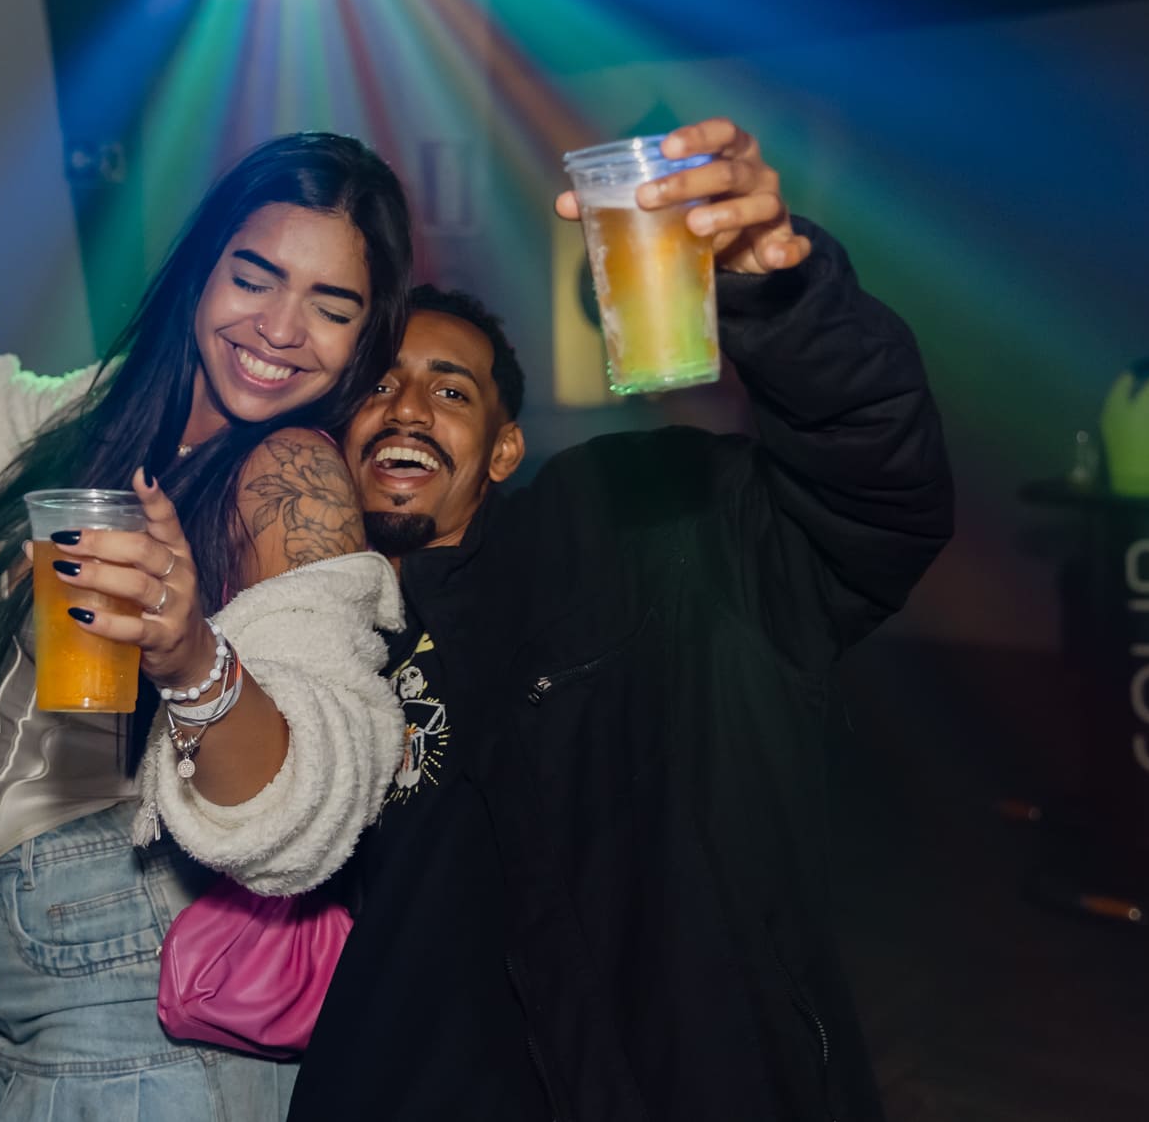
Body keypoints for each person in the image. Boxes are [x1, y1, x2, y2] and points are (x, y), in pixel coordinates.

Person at [292, 116, 955, 1121]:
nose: (408, 408)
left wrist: (779, 298)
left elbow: (876, 490)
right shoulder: (309, 627)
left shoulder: (630, 533)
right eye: (377, 386)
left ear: (503, 452)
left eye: (450, 389)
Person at [0, 43, 413, 1121]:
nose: (278, 328)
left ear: (364, 335)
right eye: (254, 276)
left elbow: (322, 780)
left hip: (132, 1005)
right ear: (204, 268)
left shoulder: (290, 475)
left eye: (331, 305)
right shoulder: (109, 417)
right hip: (1, 991)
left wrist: (191, 657)